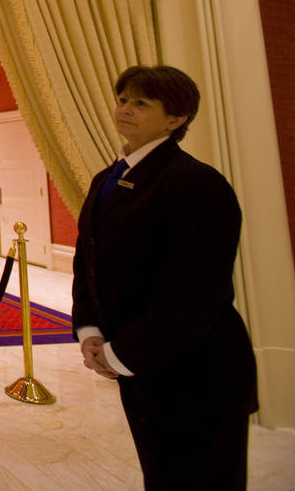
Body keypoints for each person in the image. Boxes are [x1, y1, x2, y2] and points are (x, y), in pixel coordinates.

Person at [72, 65, 258, 490]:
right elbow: (88, 261)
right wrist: (90, 331)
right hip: (142, 369)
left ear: (175, 120)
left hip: (199, 374)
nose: (125, 109)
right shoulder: (108, 178)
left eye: (141, 103)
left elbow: (198, 294)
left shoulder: (196, 183)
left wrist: (123, 354)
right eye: (122, 99)